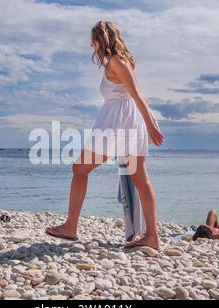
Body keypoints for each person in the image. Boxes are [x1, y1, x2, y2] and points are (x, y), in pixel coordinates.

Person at [45, 21, 164, 249]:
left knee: (80, 169)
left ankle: (70, 227)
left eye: (93, 40)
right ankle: (152, 237)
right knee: (139, 179)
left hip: (117, 124)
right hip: (126, 121)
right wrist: (146, 123)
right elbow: (135, 96)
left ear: (100, 40)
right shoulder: (119, 60)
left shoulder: (116, 61)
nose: (91, 45)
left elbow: (137, 94)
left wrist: (150, 126)